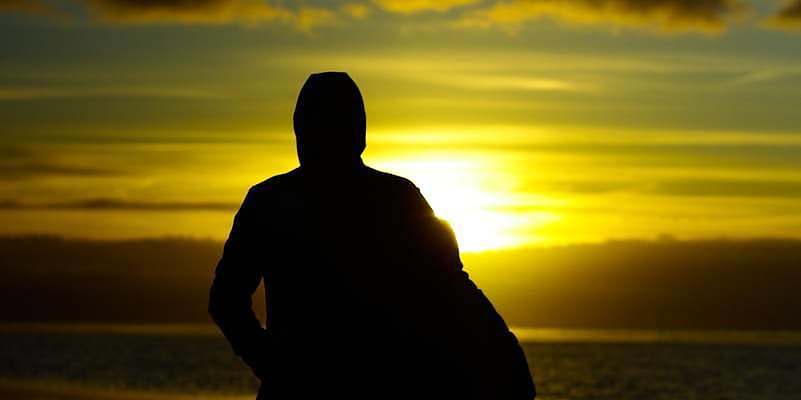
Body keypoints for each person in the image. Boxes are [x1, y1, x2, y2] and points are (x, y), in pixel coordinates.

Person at [209, 72, 535, 399]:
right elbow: (456, 292)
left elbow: (453, 289)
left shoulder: (272, 201)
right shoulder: (395, 199)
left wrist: (272, 365)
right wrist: (272, 364)